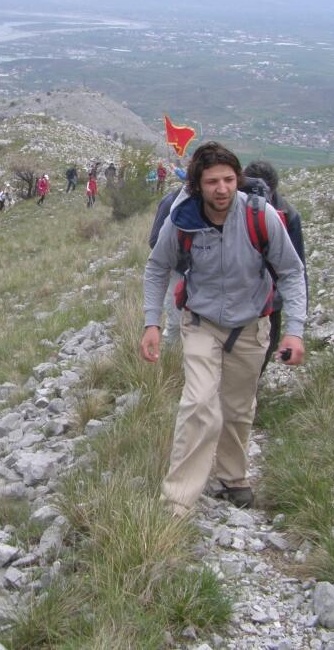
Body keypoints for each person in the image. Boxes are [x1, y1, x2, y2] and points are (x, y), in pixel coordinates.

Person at [139, 141, 306, 517]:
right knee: (198, 403)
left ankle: (233, 477)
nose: (222, 189)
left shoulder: (261, 217)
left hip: (251, 326)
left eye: (229, 180)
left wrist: (294, 330)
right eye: (212, 181)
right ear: (197, 184)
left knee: (238, 407)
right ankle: (178, 499)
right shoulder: (181, 219)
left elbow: (292, 272)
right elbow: (157, 266)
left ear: (238, 179)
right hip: (201, 323)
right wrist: (152, 322)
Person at [243, 160, 308, 375]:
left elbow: (295, 269)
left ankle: (250, 388)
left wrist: (296, 327)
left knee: (260, 356)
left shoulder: (287, 214)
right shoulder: (228, 205)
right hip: (233, 298)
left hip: (270, 302)